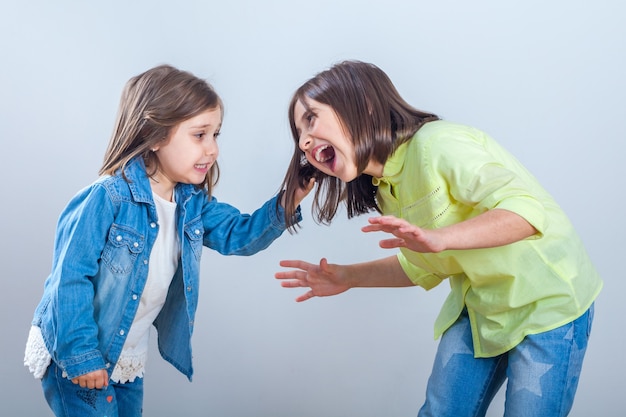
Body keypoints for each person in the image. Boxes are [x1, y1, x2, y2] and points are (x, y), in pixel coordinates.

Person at [275, 60, 602, 417]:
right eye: (298, 134)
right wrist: (348, 277)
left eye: (310, 119)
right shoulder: (386, 188)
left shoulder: (438, 144)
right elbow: (424, 267)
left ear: (363, 104)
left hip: (547, 303)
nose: (304, 142)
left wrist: (441, 237)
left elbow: (526, 212)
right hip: (482, 305)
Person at [24, 64, 313, 417]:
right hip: (79, 354)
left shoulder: (192, 205)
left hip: (126, 358)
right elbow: (69, 280)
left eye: (216, 135)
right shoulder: (108, 198)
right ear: (156, 135)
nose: (213, 149)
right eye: (199, 135)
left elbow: (240, 236)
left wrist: (290, 199)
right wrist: (82, 356)